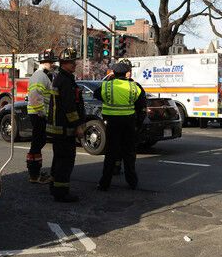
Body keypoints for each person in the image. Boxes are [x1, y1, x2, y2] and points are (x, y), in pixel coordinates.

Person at [94, 60, 147, 191]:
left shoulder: (107, 86)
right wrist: (138, 123)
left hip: (112, 123)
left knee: (111, 153)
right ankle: (132, 182)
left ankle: (104, 183)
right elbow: (141, 105)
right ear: (126, 73)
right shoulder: (134, 87)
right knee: (129, 153)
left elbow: (96, 94)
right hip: (129, 123)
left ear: (114, 73)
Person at [46, 47, 86, 202]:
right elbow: (70, 107)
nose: (74, 64)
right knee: (65, 161)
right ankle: (62, 192)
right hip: (64, 129)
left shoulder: (61, 78)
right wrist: (78, 126)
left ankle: (54, 187)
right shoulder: (65, 80)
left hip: (59, 128)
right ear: (64, 63)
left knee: (58, 159)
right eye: (72, 62)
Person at [25, 49, 56, 184]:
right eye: (51, 62)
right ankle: (34, 174)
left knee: (39, 142)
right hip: (38, 114)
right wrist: (41, 113)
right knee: (37, 143)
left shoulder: (43, 76)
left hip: (38, 114)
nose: (53, 65)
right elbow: (35, 96)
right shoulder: (40, 76)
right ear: (46, 63)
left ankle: (35, 173)